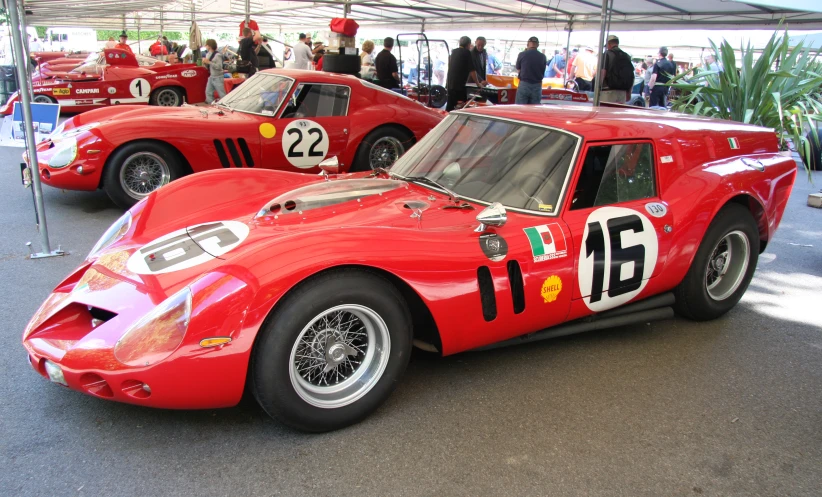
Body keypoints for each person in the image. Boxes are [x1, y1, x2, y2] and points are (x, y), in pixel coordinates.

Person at [446, 36, 485, 111]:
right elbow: (472, 70)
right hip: (459, 85)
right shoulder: (467, 52)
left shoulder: (454, 52)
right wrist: (478, 83)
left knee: (449, 106)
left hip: (450, 84)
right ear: (468, 45)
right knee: (462, 106)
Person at [599, 35, 634, 104]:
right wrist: (629, 92)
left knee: (606, 113)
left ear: (608, 44)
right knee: (618, 113)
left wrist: (598, 87)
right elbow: (631, 75)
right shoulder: (627, 56)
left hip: (608, 91)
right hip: (622, 92)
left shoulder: (607, 54)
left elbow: (603, 72)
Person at [514, 36, 547, 105]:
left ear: (528, 44)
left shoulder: (522, 54)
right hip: (537, 85)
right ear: (537, 45)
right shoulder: (543, 57)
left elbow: (518, 68)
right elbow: (543, 70)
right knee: (534, 110)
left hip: (524, 84)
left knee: (520, 108)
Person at [202, 39, 225, 104]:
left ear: (209, 46)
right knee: (208, 92)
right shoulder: (207, 54)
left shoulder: (217, 55)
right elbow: (208, 66)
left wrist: (209, 62)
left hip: (218, 77)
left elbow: (219, 66)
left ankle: (225, 104)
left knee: (221, 94)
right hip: (211, 76)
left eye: (206, 45)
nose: (205, 46)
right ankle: (210, 104)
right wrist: (205, 63)